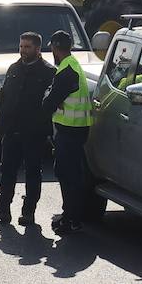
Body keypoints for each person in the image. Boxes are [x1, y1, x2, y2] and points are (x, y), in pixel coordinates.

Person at [0, 32, 55, 226]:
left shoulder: (48, 72)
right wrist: (4, 122)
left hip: (34, 133)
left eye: (27, 47)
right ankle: (2, 210)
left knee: (32, 172)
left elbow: (50, 104)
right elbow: (4, 96)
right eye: (21, 46)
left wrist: (42, 127)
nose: (23, 50)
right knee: (7, 171)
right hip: (12, 130)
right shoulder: (14, 68)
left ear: (38, 49)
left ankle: (28, 212)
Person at [43, 30, 91, 235]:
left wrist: (47, 96)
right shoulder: (73, 65)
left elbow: (48, 103)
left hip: (69, 130)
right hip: (77, 128)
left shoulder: (65, 71)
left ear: (54, 47)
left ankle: (71, 218)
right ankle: (72, 216)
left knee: (67, 174)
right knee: (72, 174)